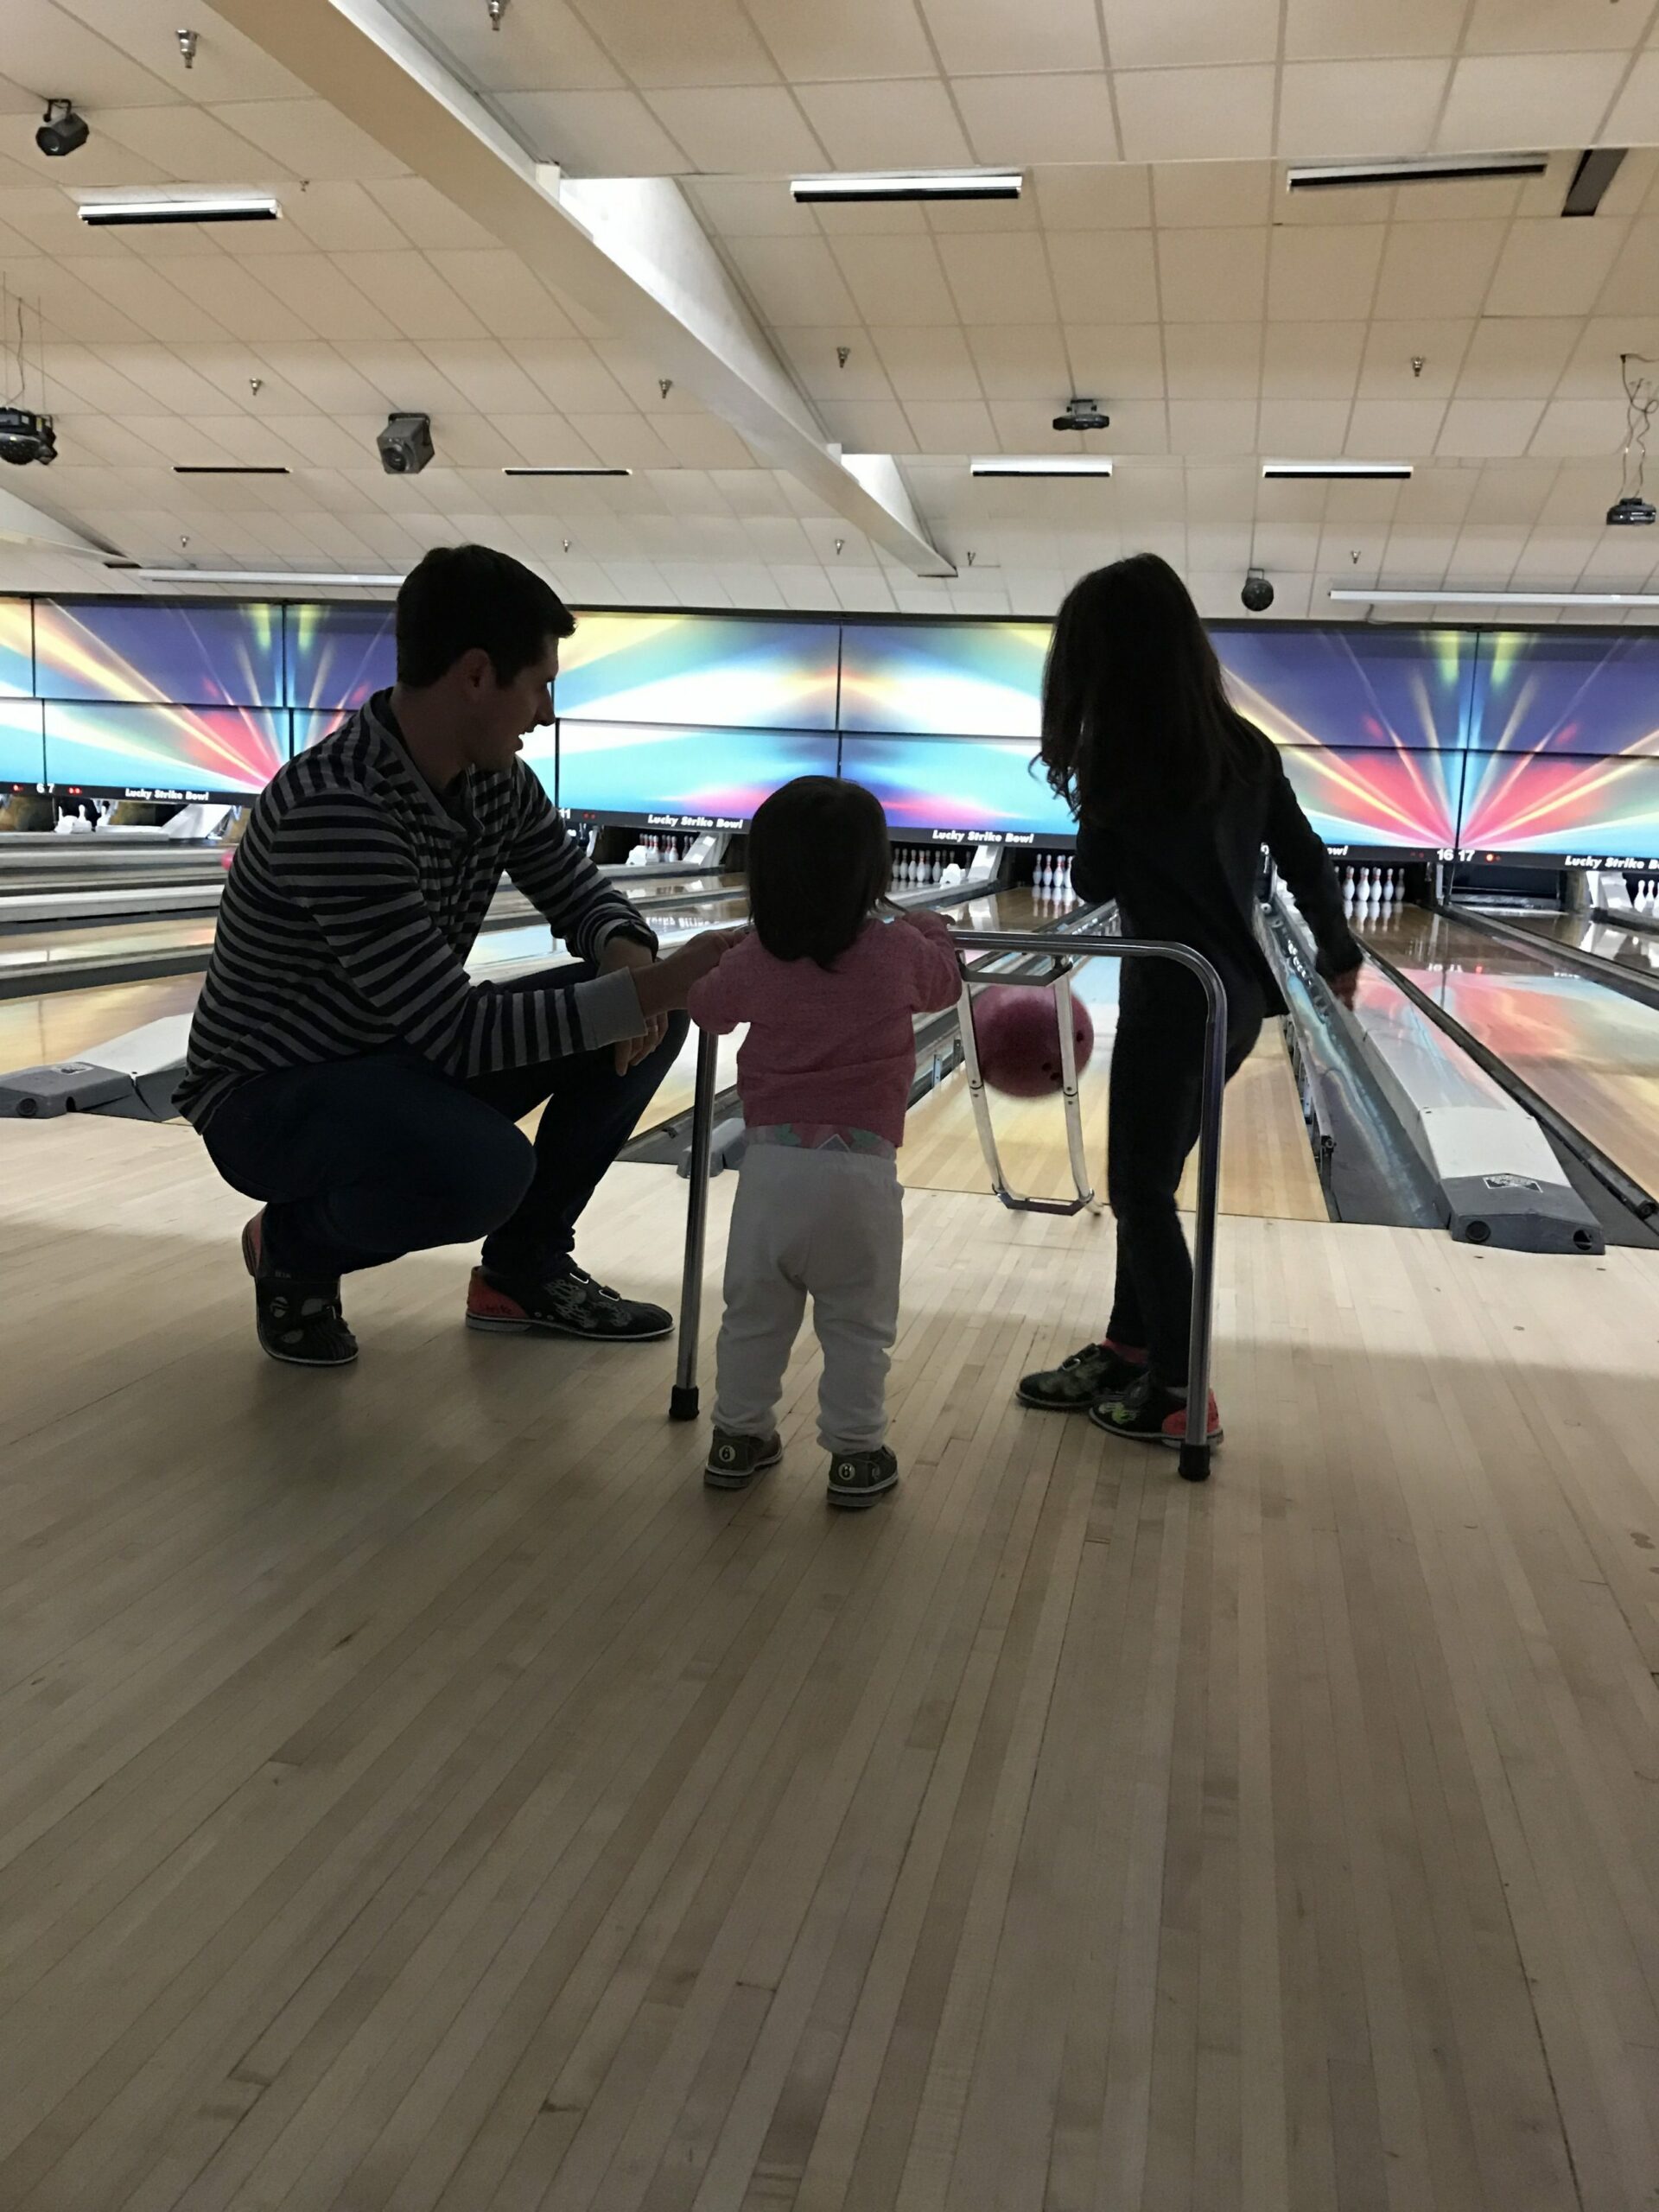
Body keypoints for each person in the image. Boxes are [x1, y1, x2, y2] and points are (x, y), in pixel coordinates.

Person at [179, 543, 729, 1368]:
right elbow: (457, 1032)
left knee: (658, 1003)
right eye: (540, 683)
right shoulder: (337, 806)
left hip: (394, 1062)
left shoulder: (495, 782)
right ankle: (295, 1245)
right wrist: (646, 987)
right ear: (476, 675)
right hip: (272, 1097)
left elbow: (579, 891)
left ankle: (522, 1271)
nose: (544, 712)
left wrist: (630, 961)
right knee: (484, 1170)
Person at [1016, 553, 1362, 1448]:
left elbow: (1093, 875)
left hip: (1175, 992)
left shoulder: (1124, 756)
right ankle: (1130, 1345)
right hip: (1233, 996)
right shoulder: (1241, 744)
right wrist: (1339, 946)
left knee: (1139, 1186)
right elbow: (1305, 854)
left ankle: (1179, 1385)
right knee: (1149, 1183)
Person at [686, 778, 962, 1510]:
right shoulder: (898, 950)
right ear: (876, 872)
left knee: (752, 1319)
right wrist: (934, 929)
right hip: (860, 1181)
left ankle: (736, 1438)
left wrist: (729, 953)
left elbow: (707, 1010)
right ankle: (855, 1455)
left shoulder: (756, 958)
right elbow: (947, 984)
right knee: (858, 1329)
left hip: (770, 1177)